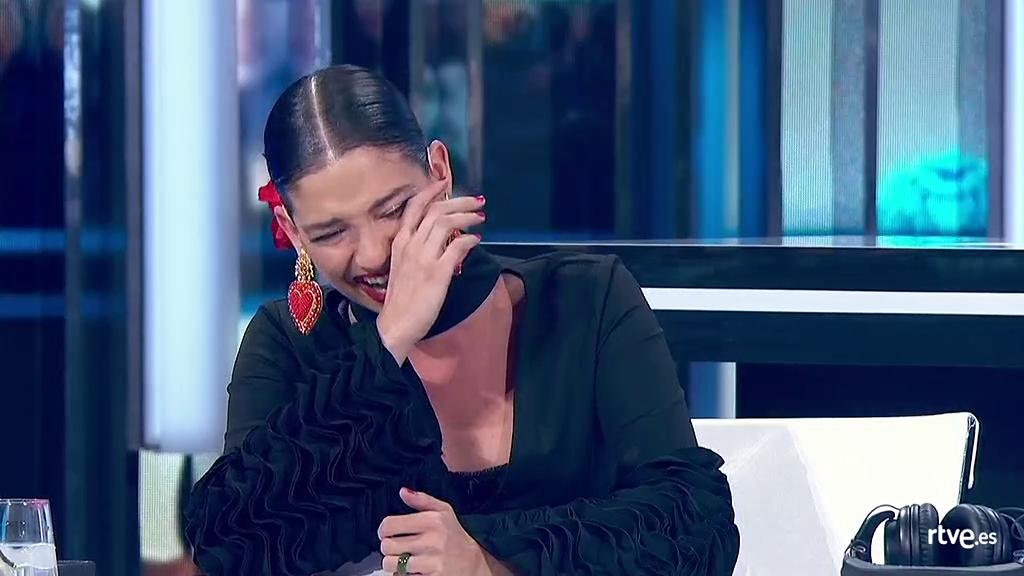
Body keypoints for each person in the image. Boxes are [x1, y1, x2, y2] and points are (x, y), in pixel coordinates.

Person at [184, 64, 739, 576]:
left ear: (440, 172)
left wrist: (486, 559)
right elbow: (228, 545)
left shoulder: (584, 300)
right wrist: (390, 338)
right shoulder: (287, 342)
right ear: (293, 230)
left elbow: (697, 524)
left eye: (393, 210)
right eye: (331, 233)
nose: (374, 254)